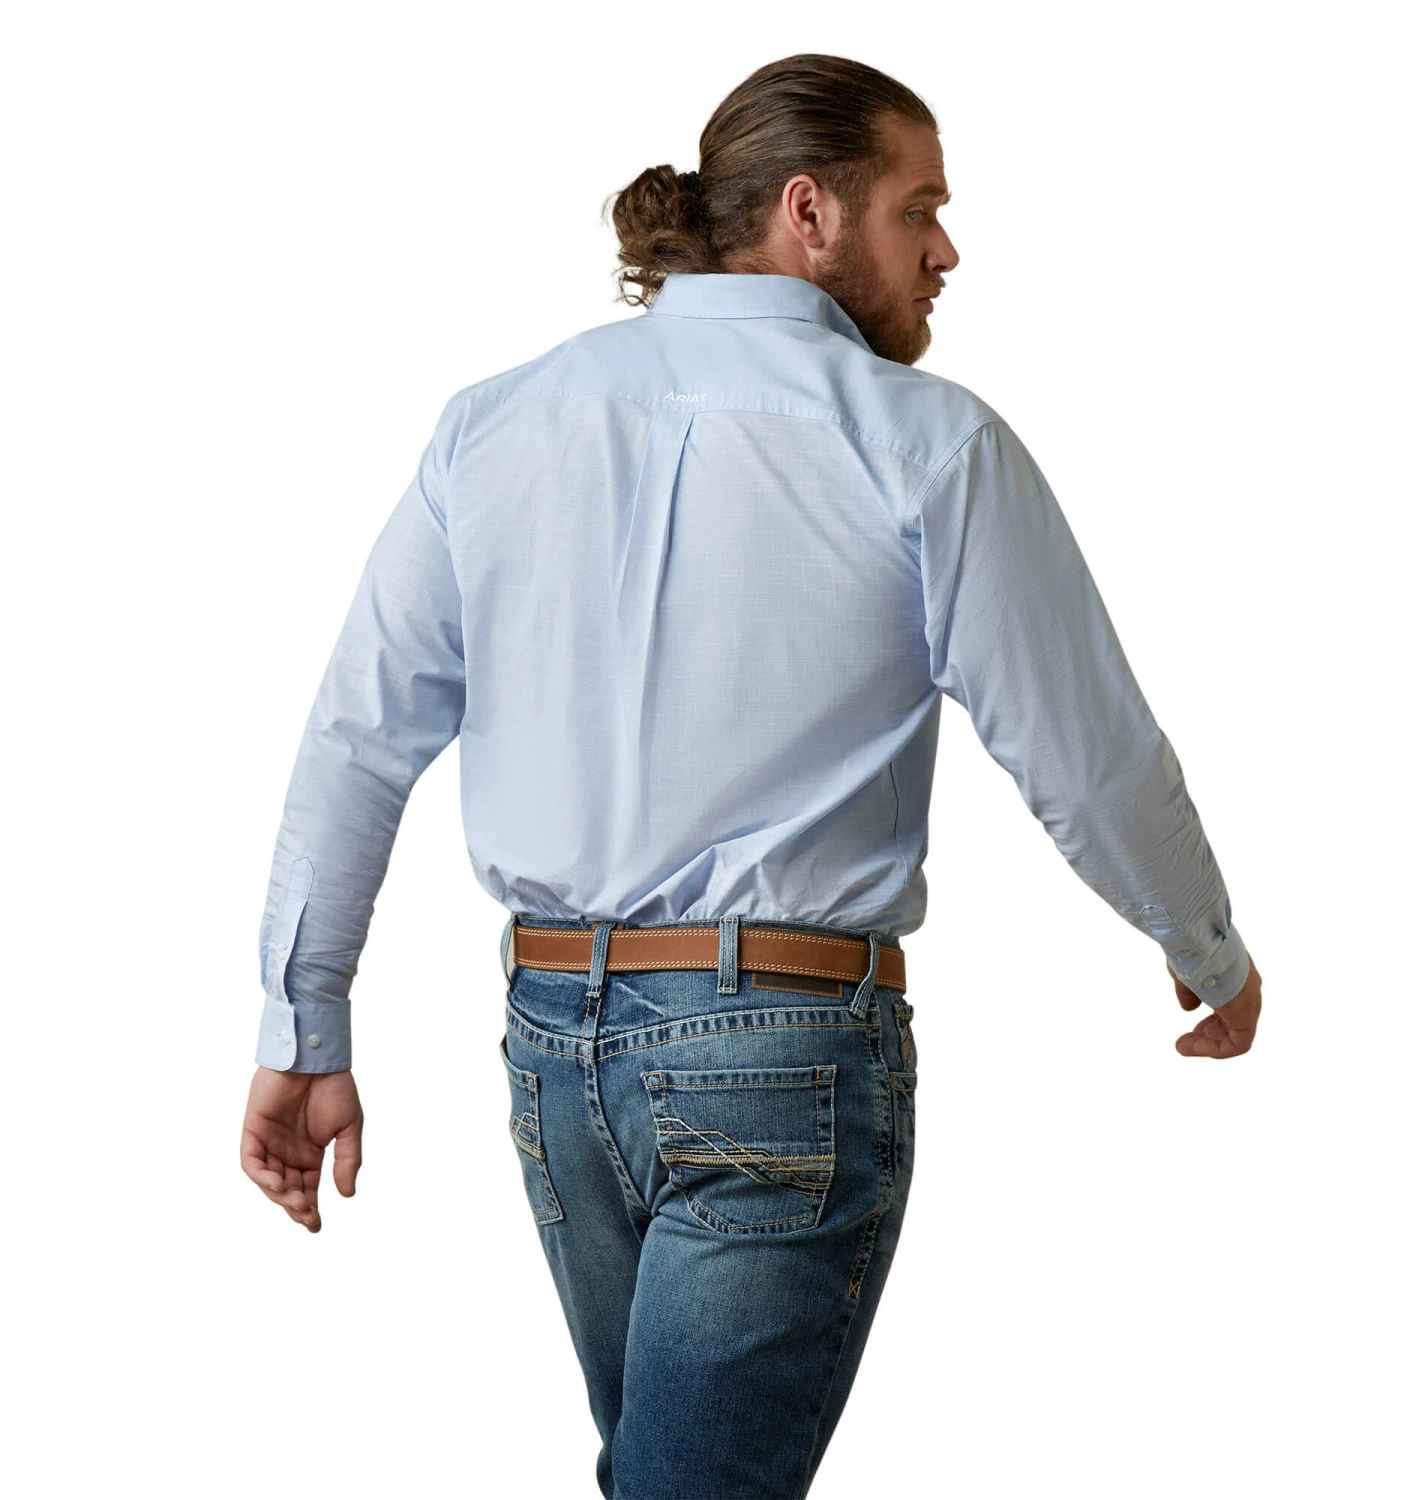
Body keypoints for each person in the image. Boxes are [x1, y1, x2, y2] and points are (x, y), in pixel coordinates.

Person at [239, 51, 1263, 1500]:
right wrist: (1206, 948)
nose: (948, 251)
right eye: (921, 208)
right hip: (780, 1058)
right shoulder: (926, 442)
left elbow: (357, 738)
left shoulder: (495, 423)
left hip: (555, 1051)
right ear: (809, 211)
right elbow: (1087, 752)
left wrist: (304, 1026)